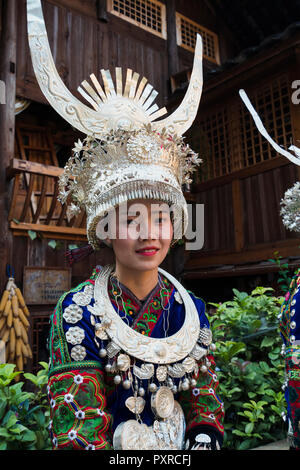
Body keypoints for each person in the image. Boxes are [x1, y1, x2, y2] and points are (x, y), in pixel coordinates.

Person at [26, 0, 224, 449]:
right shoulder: (78, 314)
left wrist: (204, 438)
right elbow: (79, 431)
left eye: (160, 217)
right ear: (105, 227)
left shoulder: (190, 307)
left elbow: (205, 401)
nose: (148, 233)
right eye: (131, 219)